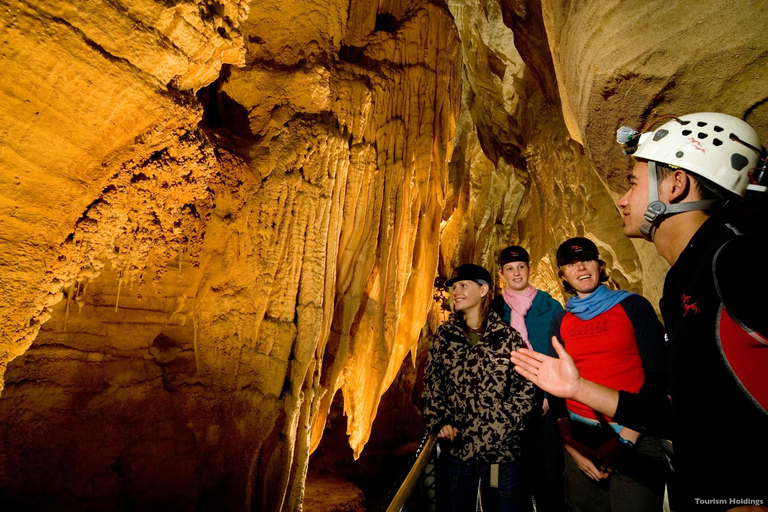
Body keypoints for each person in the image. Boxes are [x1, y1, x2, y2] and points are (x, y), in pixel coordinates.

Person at [511, 113, 768, 511]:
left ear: (675, 184)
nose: (622, 199)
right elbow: (686, 413)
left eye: (632, 183)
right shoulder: (683, 279)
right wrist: (578, 389)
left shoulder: (738, 258)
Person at [547, 237, 668, 512]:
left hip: (635, 434)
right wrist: (572, 448)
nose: (581, 268)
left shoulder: (633, 306)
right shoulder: (561, 321)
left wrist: (625, 440)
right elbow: (556, 388)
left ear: (600, 266)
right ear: (563, 274)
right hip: (581, 438)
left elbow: (658, 377)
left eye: (587, 260)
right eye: (572, 263)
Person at [422, 263, 536, 511]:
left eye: (463, 285)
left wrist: (501, 427)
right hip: (458, 451)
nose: (456, 292)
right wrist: (440, 421)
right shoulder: (445, 337)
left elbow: (525, 389)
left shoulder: (508, 337)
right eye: (454, 288)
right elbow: (433, 385)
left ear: (483, 290)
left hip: (500, 454)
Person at [490, 245, 566, 512]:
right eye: (510, 269)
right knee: (513, 480)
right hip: (509, 408)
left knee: (550, 477)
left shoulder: (549, 305)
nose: (516, 273)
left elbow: (561, 353)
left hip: (546, 404)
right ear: (502, 275)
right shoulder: (496, 310)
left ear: (529, 269)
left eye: (521, 267)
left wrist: (548, 398)